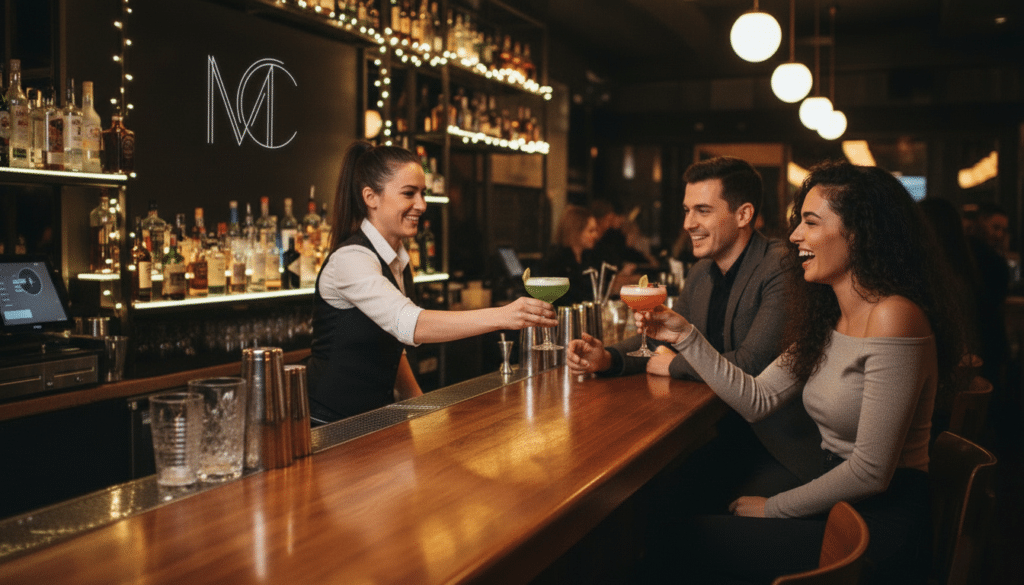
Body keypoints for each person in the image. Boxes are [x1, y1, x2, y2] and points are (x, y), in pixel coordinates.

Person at [628, 161, 966, 584]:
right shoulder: (830, 317)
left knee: (679, 543)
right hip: (839, 503)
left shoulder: (894, 316)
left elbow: (872, 472)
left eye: (810, 222)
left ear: (859, 233)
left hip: (875, 526)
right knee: (674, 530)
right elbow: (757, 399)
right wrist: (686, 336)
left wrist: (774, 508)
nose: (794, 237)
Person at [568, 156, 823, 487]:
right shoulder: (702, 271)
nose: (688, 223)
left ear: (744, 214)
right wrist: (608, 358)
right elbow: (661, 337)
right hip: (717, 433)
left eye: (703, 210)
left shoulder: (780, 267)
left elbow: (751, 365)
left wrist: (673, 367)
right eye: (687, 210)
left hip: (773, 446)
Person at [308, 142, 557, 423]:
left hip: (374, 418)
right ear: (371, 197)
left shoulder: (397, 259)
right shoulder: (351, 260)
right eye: (408, 194)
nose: (422, 205)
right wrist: (504, 315)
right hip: (329, 422)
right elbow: (409, 324)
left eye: (423, 193)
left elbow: (392, 341)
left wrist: (419, 403)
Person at [538, 205, 601, 306]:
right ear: (576, 232)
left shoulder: (587, 257)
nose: (596, 235)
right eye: (591, 231)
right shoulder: (556, 261)